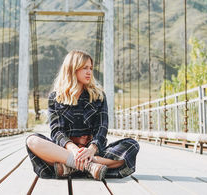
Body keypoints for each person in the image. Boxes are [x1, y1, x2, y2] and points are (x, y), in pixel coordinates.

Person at [26, 50, 139, 180]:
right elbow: (57, 132)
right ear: (72, 69)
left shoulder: (98, 96)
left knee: (132, 145)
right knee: (32, 141)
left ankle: (70, 167)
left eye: (90, 68)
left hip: (92, 152)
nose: (89, 72)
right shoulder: (55, 97)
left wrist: (91, 150)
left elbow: (102, 129)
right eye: (85, 68)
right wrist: (74, 149)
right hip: (65, 151)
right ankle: (89, 167)